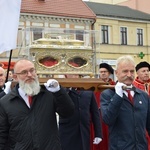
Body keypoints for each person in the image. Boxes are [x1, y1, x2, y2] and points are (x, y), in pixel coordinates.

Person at [0, 59, 75, 150]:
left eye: (32, 70)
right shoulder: (6, 102)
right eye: (24, 72)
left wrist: (58, 91)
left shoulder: (49, 94)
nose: (30, 75)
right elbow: (2, 135)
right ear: (15, 77)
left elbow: (68, 113)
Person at [100, 55, 150, 150]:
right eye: (125, 71)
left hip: (141, 147)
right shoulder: (108, 95)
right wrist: (118, 96)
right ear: (116, 73)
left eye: (132, 71)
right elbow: (107, 119)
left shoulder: (143, 95)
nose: (129, 74)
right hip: (120, 147)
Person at [59, 74, 102, 150]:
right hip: (67, 131)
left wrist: (98, 134)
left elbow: (95, 113)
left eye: (76, 74)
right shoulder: (63, 90)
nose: (74, 76)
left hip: (84, 130)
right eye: (72, 74)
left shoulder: (88, 90)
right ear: (66, 76)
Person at [91, 63, 115, 150]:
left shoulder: (114, 86)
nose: (103, 73)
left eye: (105, 72)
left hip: (109, 115)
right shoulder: (95, 86)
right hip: (97, 116)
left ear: (109, 73)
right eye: (101, 72)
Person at [133, 61, 150, 150]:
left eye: (147, 71)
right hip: (141, 119)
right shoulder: (133, 86)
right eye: (143, 71)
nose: (146, 73)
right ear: (138, 73)